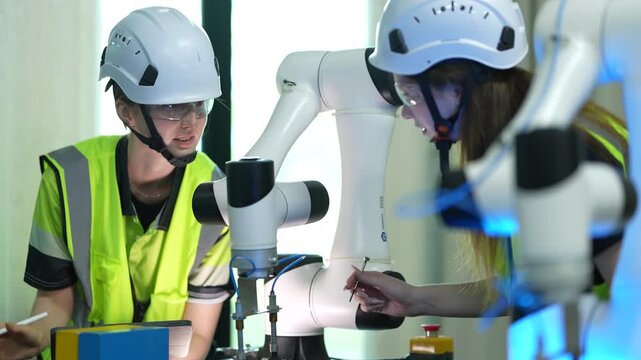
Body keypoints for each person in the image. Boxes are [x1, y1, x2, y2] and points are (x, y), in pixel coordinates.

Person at [345, 0, 627, 318]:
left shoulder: (562, 155)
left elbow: (630, 300)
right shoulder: (516, 147)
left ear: (458, 88)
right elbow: (523, 288)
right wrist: (414, 299)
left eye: (411, 94)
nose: (405, 112)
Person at [0, 7, 232, 360]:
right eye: (171, 105)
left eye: (199, 105)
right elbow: (54, 302)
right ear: (126, 110)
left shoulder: (218, 194)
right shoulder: (67, 177)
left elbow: (198, 333)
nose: (192, 123)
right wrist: (35, 335)